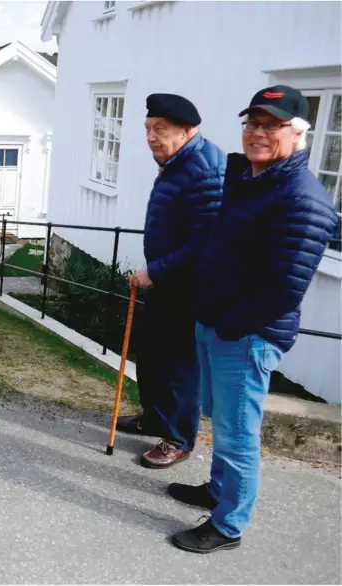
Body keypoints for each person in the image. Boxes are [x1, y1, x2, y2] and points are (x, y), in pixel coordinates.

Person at [169, 85, 338, 553]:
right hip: (218, 323)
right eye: (252, 123)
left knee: (238, 433)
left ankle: (228, 525)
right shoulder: (249, 179)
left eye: (271, 125)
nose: (257, 133)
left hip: (246, 334)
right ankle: (218, 490)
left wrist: (228, 325)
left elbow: (283, 288)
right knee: (223, 421)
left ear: (298, 133)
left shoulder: (302, 199)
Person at [117, 93, 226, 469]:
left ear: (188, 130)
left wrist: (156, 271)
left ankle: (178, 438)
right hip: (164, 280)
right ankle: (155, 417)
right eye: (148, 128)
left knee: (179, 365)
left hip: (188, 287)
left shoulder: (205, 169)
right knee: (152, 355)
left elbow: (205, 240)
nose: (150, 136)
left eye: (160, 130)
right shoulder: (176, 161)